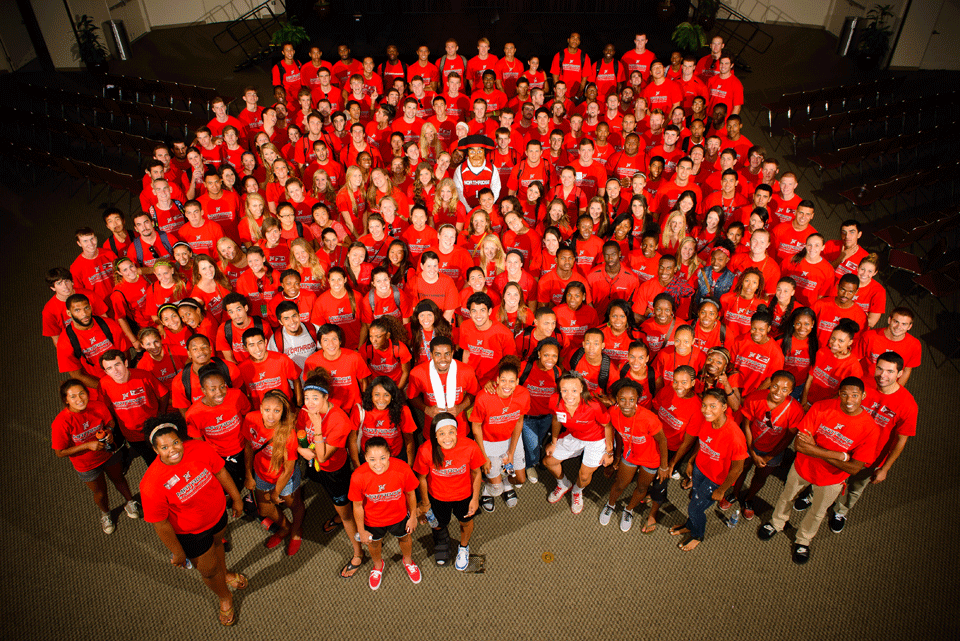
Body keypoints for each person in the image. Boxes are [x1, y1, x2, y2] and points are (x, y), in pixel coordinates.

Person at [758, 378, 879, 565]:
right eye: (845, 394)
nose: (849, 399)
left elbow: (855, 467)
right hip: (803, 467)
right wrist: (840, 456)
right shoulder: (822, 407)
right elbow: (800, 445)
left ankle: (803, 540)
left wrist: (817, 449)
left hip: (832, 479)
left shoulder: (870, 428)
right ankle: (776, 523)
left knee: (818, 512)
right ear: (839, 394)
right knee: (787, 497)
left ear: (863, 396)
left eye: (855, 395)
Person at [139, 418, 246, 626]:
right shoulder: (151, 484)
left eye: (176, 442)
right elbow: (160, 524)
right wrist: (178, 552)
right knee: (207, 570)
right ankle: (225, 597)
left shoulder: (199, 448)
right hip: (192, 533)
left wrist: (237, 498)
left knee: (218, 545)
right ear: (155, 450)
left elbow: (220, 471)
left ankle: (225, 574)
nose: (173, 450)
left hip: (217, 515)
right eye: (164, 447)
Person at [826, 352, 917, 533]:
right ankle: (813, 495)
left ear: (900, 374)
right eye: (880, 369)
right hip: (843, 446)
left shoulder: (908, 404)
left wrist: (885, 469)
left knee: (854, 488)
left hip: (871, 458)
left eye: (890, 371)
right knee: (828, 475)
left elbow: (901, 441)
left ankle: (840, 511)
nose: (883, 375)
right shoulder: (862, 385)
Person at [297, 370, 366, 577]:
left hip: (335, 471)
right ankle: (340, 511)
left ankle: (358, 553)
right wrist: (301, 450)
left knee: (347, 515)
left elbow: (323, 456)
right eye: (307, 397)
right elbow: (298, 434)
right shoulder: (304, 411)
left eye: (315, 398)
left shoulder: (339, 421)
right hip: (317, 469)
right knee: (333, 500)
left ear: (327, 397)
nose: (309, 403)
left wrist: (317, 427)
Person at [52, 379, 141, 534]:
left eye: (82, 393)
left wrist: (108, 433)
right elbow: (59, 452)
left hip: (107, 454)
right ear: (66, 400)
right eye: (73, 396)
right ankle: (106, 514)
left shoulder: (98, 406)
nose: (79, 399)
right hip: (86, 465)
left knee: (119, 478)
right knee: (100, 493)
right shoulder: (61, 422)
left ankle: (130, 502)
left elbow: (110, 423)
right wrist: (87, 445)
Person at [667, 388, 747, 551]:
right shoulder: (706, 420)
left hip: (715, 479)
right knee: (695, 498)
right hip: (700, 468)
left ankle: (698, 534)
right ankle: (690, 524)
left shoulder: (735, 436)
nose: (706, 410)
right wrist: (691, 460)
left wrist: (722, 490)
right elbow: (701, 442)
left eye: (712, 406)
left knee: (695, 507)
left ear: (724, 407)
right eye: (704, 405)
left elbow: (738, 469)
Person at [721, 371, 804, 519]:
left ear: (791, 391)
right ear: (770, 384)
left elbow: (788, 438)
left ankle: (749, 499)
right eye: (775, 386)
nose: (778, 392)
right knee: (740, 470)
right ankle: (734, 494)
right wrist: (752, 451)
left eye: (784, 390)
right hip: (750, 444)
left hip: (773, 451)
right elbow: (746, 425)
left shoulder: (795, 410)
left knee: (760, 477)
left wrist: (768, 457)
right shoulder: (755, 398)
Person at [349, 436, 422, 590]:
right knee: (374, 544)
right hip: (372, 520)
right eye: (372, 459)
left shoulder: (402, 468)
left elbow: (411, 494)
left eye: (382, 457)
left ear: (389, 454)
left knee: (405, 538)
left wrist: (413, 516)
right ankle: (377, 566)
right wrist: (361, 530)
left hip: (399, 516)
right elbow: (357, 506)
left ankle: (408, 561)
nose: (378, 464)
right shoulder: (358, 476)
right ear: (365, 458)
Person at [414, 412, 483, 569]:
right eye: (442, 433)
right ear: (435, 436)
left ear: (457, 432)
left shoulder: (470, 446)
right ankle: (442, 542)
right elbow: (422, 478)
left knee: (465, 522)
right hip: (437, 497)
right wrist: (425, 503)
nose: (447, 438)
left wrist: (475, 498)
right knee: (438, 524)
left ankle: (464, 547)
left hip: (464, 495)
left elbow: (476, 472)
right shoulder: (425, 450)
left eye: (451, 432)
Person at [599, 379, 668, 529]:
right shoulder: (614, 412)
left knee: (642, 488)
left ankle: (628, 510)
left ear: (638, 399)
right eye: (622, 399)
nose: (626, 404)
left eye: (631, 399)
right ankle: (610, 505)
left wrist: (664, 467)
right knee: (620, 484)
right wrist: (616, 456)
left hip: (650, 459)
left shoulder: (649, 418)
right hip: (630, 455)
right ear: (616, 399)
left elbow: (662, 441)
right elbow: (616, 432)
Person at [243, 390, 305, 555]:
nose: (271, 415)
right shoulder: (251, 418)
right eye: (267, 409)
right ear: (261, 408)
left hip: (284, 477)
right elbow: (249, 446)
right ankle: (286, 528)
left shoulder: (288, 434)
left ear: (282, 412)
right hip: (261, 473)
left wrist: (276, 492)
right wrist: (249, 475)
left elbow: (289, 469)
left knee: (294, 504)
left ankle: (296, 532)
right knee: (264, 510)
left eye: (276, 411)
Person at [544, 373, 614, 514]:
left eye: (574, 390)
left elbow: (607, 426)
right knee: (549, 462)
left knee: (584, 476)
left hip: (596, 440)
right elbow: (557, 419)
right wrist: (553, 442)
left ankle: (577, 490)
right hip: (574, 435)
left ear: (582, 388)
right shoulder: (555, 400)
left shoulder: (594, 405)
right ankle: (563, 484)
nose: (569, 395)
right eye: (564, 390)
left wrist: (609, 451)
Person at [471, 358, 530, 512]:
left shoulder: (523, 395)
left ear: (517, 381)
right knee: (495, 489)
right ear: (497, 380)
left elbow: (519, 422)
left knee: (520, 479)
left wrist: (511, 451)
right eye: (503, 380)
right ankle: (488, 489)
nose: (507, 385)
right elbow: (476, 427)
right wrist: (483, 457)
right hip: (489, 443)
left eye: (511, 381)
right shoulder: (483, 397)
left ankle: (507, 484)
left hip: (511, 440)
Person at [99, 350, 170, 467]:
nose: (115, 371)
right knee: (152, 462)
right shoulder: (103, 384)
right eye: (110, 368)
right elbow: (105, 408)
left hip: (153, 427)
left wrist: (161, 414)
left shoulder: (143, 375)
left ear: (125, 363)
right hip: (132, 434)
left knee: (166, 455)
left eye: (117, 365)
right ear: (105, 371)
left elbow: (163, 393)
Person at [303, 324, 371, 413]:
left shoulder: (354, 357)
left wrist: (364, 403)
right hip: (327, 410)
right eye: (325, 340)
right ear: (320, 343)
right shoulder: (311, 361)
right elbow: (310, 389)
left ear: (340, 341)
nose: (331, 344)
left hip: (353, 410)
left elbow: (364, 382)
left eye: (334, 339)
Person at [238, 327, 303, 408]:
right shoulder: (242, 368)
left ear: (265, 342)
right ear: (245, 348)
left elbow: (296, 379)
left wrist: (299, 405)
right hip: (261, 412)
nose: (257, 348)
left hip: (286, 409)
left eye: (260, 343)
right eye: (252, 345)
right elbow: (243, 393)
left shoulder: (281, 359)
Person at [857, 307, 921, 386]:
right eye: (896, 321)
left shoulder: (915, 345)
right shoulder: (870, 336)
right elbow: (855, 361)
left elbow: (906, 371)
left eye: (904, 324)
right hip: (863, 383)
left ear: (909, 326)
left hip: (888, 386)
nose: (898, 327)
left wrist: (895, 392)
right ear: (889, 320)